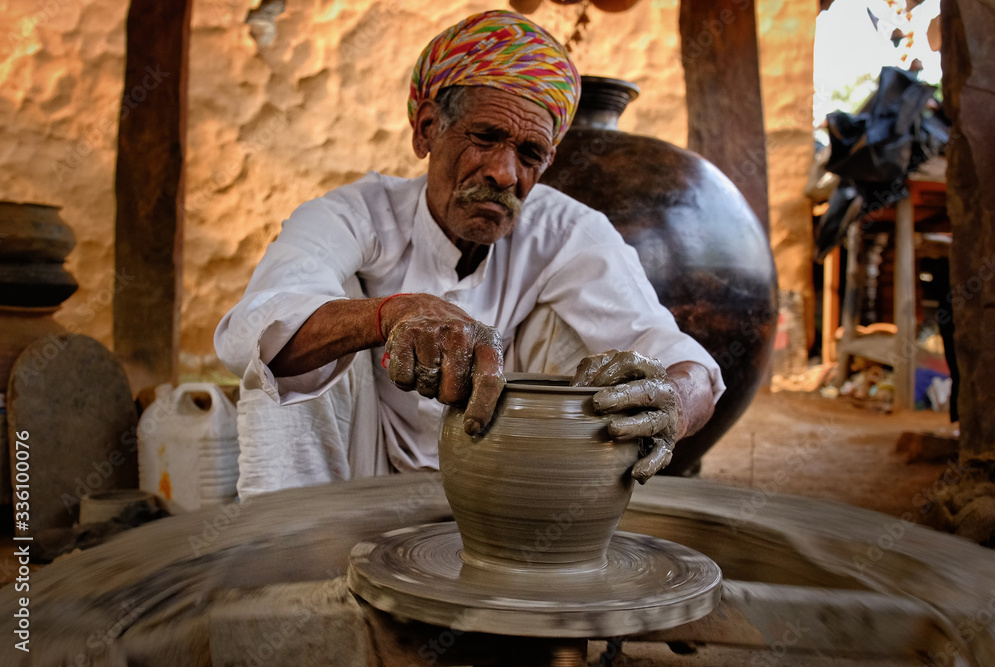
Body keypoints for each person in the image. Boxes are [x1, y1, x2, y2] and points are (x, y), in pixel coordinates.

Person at [215, 10, 725, 498]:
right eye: (485, 137)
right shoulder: (354, 214)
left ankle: (555, 554)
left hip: (505, 482)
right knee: (296, 335)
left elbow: (683, 360)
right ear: (426, 129)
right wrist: (387, 314)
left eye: (530, 155)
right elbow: (246, 334)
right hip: (357, 480)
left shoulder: (568, 231)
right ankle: (295, 560)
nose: (505, 174)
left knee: (607, 360)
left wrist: (674, 403)